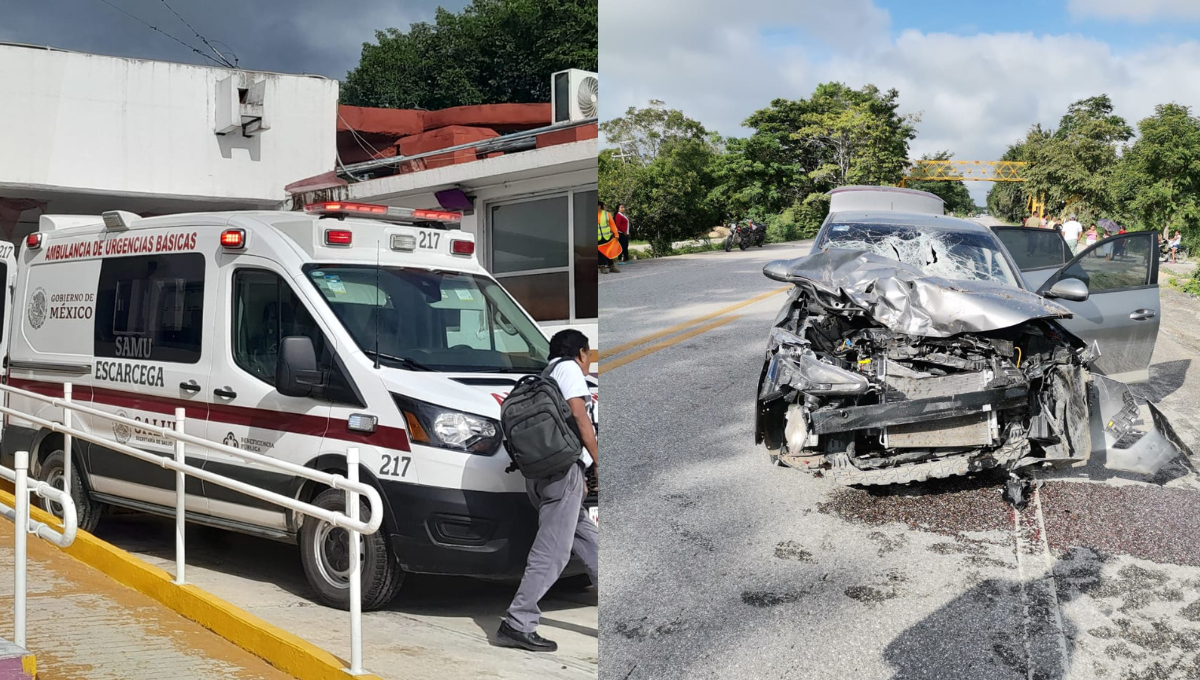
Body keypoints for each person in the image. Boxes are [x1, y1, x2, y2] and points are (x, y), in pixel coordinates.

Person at [497, 329, 599, 652]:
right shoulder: (569, 369)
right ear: (580, 353)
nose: (588, 364)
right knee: (552, 551)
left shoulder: (546, 374)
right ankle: (518, 621)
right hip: (562, 473)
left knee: (591, 542)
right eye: (589, 357)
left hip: (540, 476)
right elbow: (580, 416)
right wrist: (599, 460)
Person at [598, 201, 620, 274]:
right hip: (598, 238)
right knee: (599, 253)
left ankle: (612, 267)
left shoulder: (607, 214)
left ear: (599, 206)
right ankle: (602, 267)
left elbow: (612, 225)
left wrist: (616, 234)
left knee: (609, 252)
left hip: (607, 236)